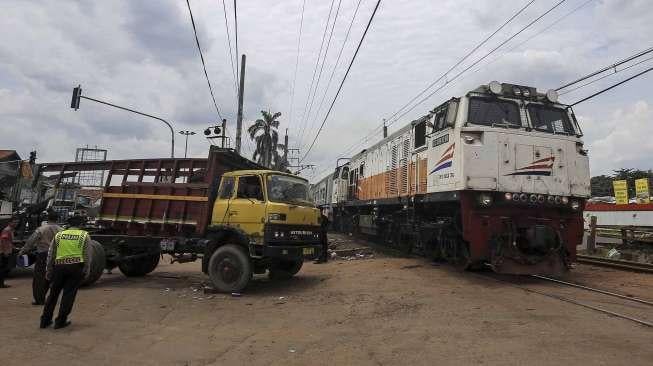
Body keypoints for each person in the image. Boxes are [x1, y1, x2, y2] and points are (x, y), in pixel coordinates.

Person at [40, 215, 91, 329]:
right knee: (68, 295)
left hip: (59, 267)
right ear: (81, 225)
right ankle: (60, 321)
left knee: (53, 294)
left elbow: (51, 254)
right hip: (75, 268)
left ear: (69, 225)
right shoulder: (84, 235)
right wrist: (87, 270)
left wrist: (48, 269)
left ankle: (45, 321)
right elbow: (87, 255)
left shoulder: (59, 235)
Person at [19, 211, 62, 305]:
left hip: (43, 255)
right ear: (57, 219)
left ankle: (39, 299)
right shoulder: (61, 230)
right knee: (51, 276)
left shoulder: (41, 229)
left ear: (48, 218)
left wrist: (23, 251)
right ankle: (49, 298)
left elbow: (30, 242)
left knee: (39, 277)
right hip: (56, 255)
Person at [0, 217, 19, 288]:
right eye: (14, 222)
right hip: (4, 251)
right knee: (3, 268)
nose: (16, 224)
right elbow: (4, 241)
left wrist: (14, 248)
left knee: (3, 267)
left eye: (17, 222)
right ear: (10, 223)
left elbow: (9, 242)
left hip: (6, 250)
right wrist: (5, 252)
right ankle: (1, 284)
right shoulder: (7, 230)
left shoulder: (10, 230)